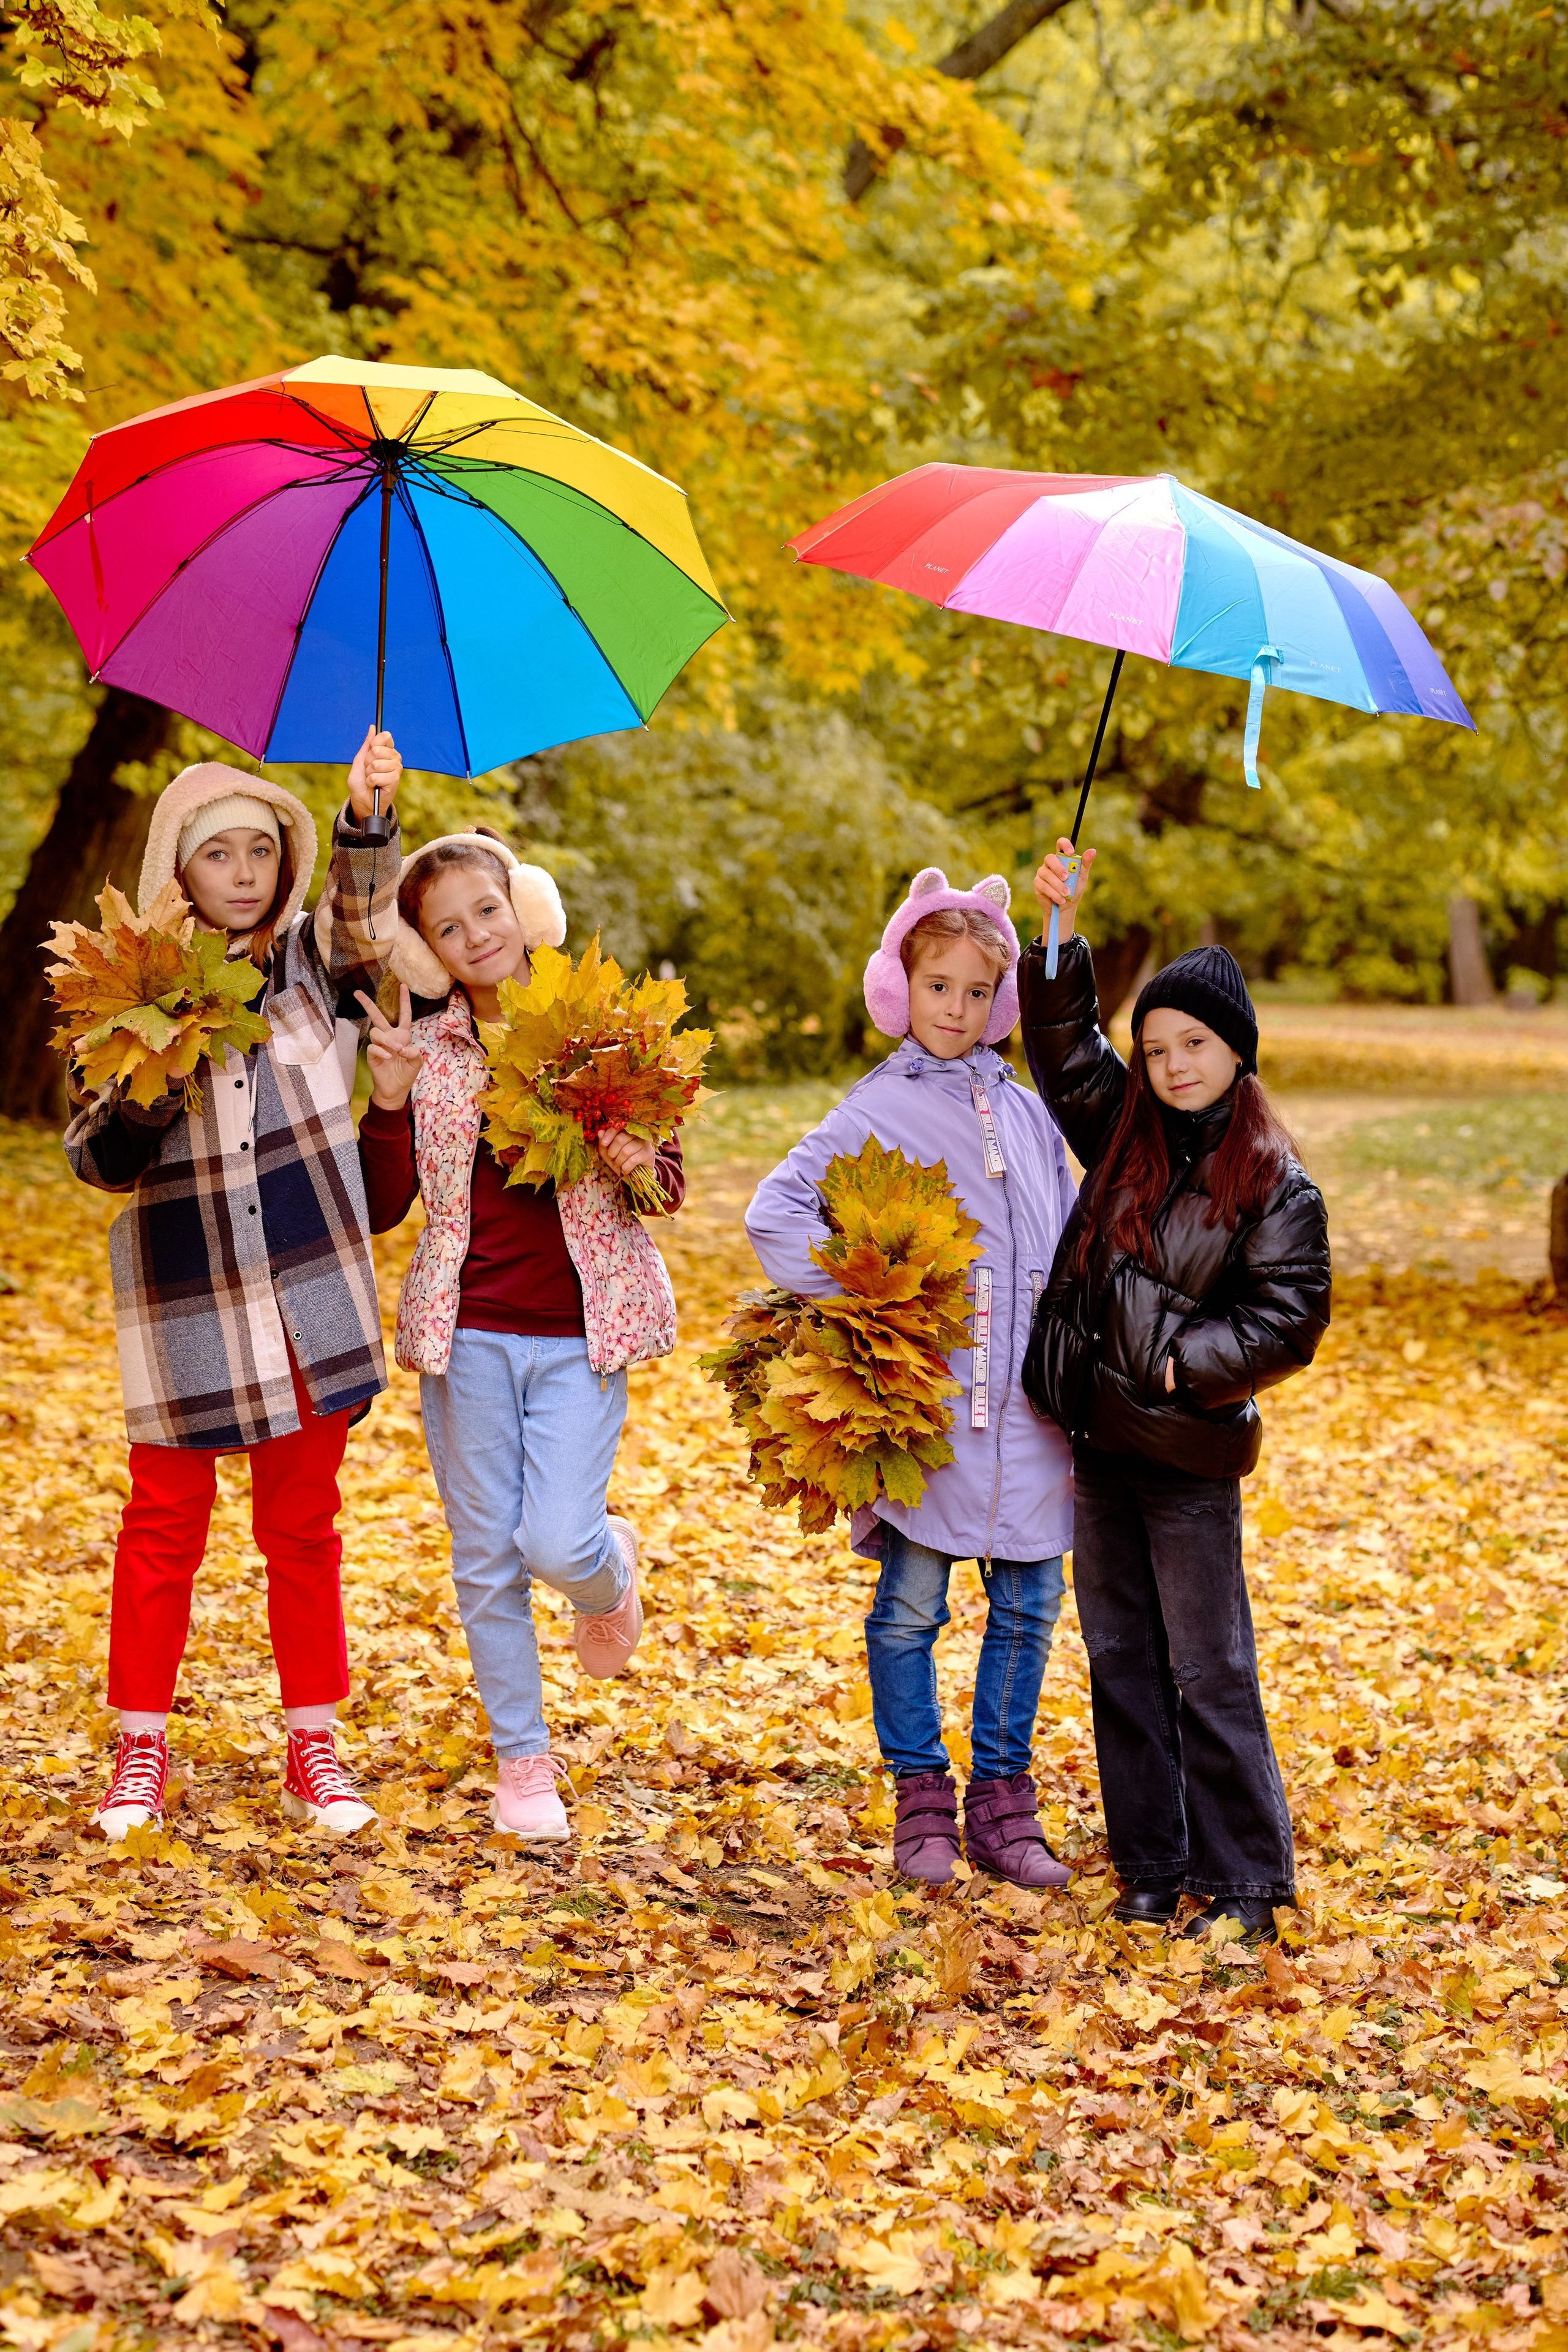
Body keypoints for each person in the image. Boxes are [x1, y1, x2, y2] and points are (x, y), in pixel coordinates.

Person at [66, 729, 405, 1841]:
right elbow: (95, 1157)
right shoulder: (127, 988)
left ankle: (314, 1748)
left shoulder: (309, 964)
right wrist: (153, 1082)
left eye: (262, 850)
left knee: (303, 1527)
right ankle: (139, 1749)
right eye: (220, 854)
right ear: (179, 868)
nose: (246, 872)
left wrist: (366, 816)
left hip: (307, 1295)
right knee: (163, 1525)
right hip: (190, 1301)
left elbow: (364, 919)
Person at [745, 870, 1077, 1889]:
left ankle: (1003, 1801)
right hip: (934, 1410)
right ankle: (921, 1793)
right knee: (909, 1607)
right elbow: (775, 1212)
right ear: (900, 986)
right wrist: (870, 1299)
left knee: (1029, 1603)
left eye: (977, 992)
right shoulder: (876, 1107)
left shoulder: (1030, 1112)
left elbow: (1072, 1235)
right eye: (938, 986)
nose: (957, 1009)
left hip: (1033, 1409)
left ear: (1000, 1002)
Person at [1025, 838, 1331, 1942]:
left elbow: (1289, 1319)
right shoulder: (1125, 1134)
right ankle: (1153, 1864)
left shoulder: (1277, 1183)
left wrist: (1174, 1365)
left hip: (1187, 1454)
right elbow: (1065, 1050)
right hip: (1102, 1446)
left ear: (1235, 1050)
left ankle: (1247, 1883)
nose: (1172, 1065)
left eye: (1193, 1044)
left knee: (1209, 1667)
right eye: (1154, 1048)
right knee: (1120, 1660)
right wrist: (1058, 931)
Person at [355, 831, 681, 1842]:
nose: (476, 937)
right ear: (429, 951)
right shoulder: (429, 1049)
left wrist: (635, 1157)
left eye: (487, 911)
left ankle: (608, 1570)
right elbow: (383, 1206)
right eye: (448, 929)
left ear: (525, 907)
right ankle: (524, 1762)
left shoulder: (598, 1031)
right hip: (467, 1338)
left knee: (556, 1541)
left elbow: (666, 1187)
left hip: (584, 1334)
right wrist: (388, 1101)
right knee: (486, 1555)